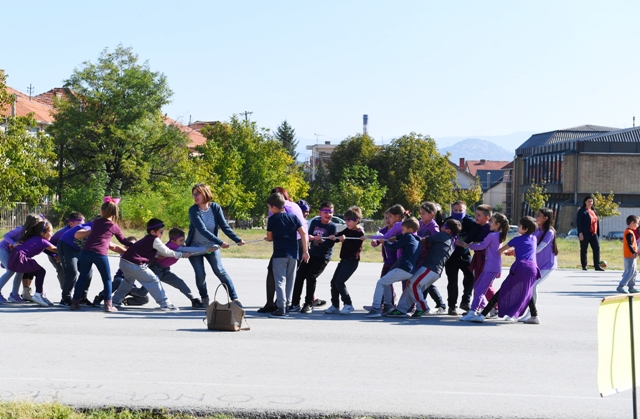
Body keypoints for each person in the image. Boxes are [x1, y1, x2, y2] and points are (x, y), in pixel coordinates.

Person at [468, 216, 540, 323]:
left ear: (525, 229)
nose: (518, 227)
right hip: (533, 268)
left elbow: (500, 250)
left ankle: (483, 315)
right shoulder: (534, 239)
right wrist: (514, 252)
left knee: (503, 290)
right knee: (527, 291)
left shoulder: (516, 239)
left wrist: (494, 249)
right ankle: (534, 316)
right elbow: (526, 250)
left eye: (520, 225)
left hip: (520, 267)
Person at [386, 218, 461, 318]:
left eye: (444, 226)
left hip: (431, 268)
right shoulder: (451, 239)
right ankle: (401, 309)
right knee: (411, 285)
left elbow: (423, 240)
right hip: (432, 270)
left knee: (413, 284)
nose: (441, 227)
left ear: (448, 230)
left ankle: (423, 307)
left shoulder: (443, 235)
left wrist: (402, 237)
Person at [70, 198, 134, 312]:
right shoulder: (113, 226)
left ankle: (75, 303)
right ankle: (108, 305)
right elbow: (123, 240)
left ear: (102, 211)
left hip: (86, 252)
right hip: (100, 254)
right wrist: (133, 245)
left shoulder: (96, 222)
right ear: (115, 212)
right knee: (107, 279)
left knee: (82, 277)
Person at [112, 219, 191, 311]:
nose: (162, 234)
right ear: (153, 232)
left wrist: (156, 255)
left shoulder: (146, 239)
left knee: (128, 282)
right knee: (153, 280)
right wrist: (182, 255)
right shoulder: (154, 239)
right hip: (134, 264)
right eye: (161, 232)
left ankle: (115, 301)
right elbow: (167, 251)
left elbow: (147, 251)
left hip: (124, 262)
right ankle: (165, 304)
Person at [186, 183, 245, 307]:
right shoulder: (193, 210)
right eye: (193, 194)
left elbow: (224, 226)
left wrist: (237, 239)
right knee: (200, 275)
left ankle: (234, 299)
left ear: (205, 193)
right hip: (195, 248)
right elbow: (202, 229)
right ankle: (204, 298)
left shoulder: (215, 207)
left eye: (197, 194)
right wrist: (220, 242)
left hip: (212, 247)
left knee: (220, 270)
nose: (195, 197)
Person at [365, 217, 421, 318]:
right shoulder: (416, 238)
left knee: (380, 282)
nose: (402, 231)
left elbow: (394, 247)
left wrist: (384, 242)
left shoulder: (408, 236)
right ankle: (388, 306)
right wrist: (396, 237)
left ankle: (376, 309)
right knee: (386, 282)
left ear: (410, 230)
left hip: (404, 268)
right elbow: (401, 237)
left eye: (403, 229)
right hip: (411, 270)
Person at [265, 192, 309, 318]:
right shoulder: (293, 217)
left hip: (280, 254)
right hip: (294, 254)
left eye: (269, 207)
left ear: (274, 207)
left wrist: (268, 238)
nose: (270, 210)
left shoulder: (272, 219)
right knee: (290, 280)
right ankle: (288, 306)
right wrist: (305, 251)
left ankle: (281, 308)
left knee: (280, 280)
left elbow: (270, 237)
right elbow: (303, 233)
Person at [149, 228, 217, 308]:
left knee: (180, 283)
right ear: (173, 241)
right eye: (181, 240)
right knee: (144, 291)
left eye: (183, 240)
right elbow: (188, 249)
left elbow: (191, 252)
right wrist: (206, 249)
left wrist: (207, 251)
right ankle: (135, 293)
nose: (183, 242)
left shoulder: (178, 246)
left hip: (165, 270)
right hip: (156, 269)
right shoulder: (171, 246)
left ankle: (193, 300)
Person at [459, 213, 509, 321]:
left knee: (479, 290)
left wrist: (467, 245)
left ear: (497, 224)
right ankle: (483, 309)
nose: (489, 223)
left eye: (491, 221)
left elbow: (482, 246)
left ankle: (473, 311)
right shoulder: (499, 235)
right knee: (478, 287)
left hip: (491, 266)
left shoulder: (492, 235)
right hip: (492, 266)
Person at [290, 201, 336, 313]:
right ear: (320, 212)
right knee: (299, 275)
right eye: (325, 212)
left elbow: (330, 244)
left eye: (330, 212)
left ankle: (308, 304)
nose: (328, 214)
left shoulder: (332, 226)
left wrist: (321, 241)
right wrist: (311, 238)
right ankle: (295, 303)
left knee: (311, 277)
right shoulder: (315, 222)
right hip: (312, 253)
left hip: (323, 256)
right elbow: (308, 236)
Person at [519, 207, 559, 324]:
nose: (536, 217)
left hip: (547, 265)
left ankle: (532, 315)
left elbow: (539, 248)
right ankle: (529, 314)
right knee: (530, 287)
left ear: (545, 218)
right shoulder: (536, 230)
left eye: (538, 215)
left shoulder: (549, 232)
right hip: (537, 264)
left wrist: (524, 252)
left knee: (532, 286)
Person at [368, 204, 411, 312]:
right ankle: (388, 304)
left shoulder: (399, 227)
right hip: (388, 261)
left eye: (390, 217)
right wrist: (374, 241)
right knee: (385, 281)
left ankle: (406, 306)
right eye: (386, 218)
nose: (387, 220)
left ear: (397, 217)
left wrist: (370, 237)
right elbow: (379, 238)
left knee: (401, 283)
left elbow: (384, 238)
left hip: (398, 260)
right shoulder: (385, 229)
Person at [324, 206, 366, 315]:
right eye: (346, 220)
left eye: (349, 220)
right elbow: (340, 235)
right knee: (333, 282)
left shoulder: (359, 233)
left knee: (339, 282)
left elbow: (354, 248)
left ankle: (348, 304)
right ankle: (335, 305)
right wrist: (334, 236)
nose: (347, 222)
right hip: (343, 261)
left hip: (352, 262)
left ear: (357, 221)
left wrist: (344, 241)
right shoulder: (348, 230)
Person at [7, 218, 57, 307]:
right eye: (50, 231)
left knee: (32, 270)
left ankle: (32, 293)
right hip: (20, 257)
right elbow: (55, 249)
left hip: (17, 256)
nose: (52, 234)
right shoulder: (42, 241)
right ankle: (38, 294)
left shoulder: (36, 238)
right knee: (41, 271)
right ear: (42, 233)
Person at [443, 201, 478, 315]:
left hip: (464, 254)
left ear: (465, 210)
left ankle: (465, 302)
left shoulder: (470, 221)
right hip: (450, 256)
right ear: (452, 210)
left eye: (460, 210)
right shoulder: (448, 221)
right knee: (452, 281)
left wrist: (467, 242)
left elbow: (476, 231)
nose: (458, 212)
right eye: (455, 210)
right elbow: (442, 233)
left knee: (470, 277)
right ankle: (452, 306)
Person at [0, 213, 42, 303]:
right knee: (10, 270)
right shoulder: (20, 229)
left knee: (20, 270)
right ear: (33, 223)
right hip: (3, 249)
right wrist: (14, 243)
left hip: (12, 252)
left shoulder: (30, 232)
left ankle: (14, 295)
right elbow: (6, 236)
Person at [416, 202, 447, 313]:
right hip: (419, 255)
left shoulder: (434, 226)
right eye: (420, 213)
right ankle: (440, 303)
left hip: (427, 257)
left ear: (431, 214)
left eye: (423, 213)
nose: (421, 216)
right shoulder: (420, 223)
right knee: (425, 282)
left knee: (422, 282)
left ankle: (422, 305)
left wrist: (425, 240)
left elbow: (435, 240)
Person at [47, 212, 85, 291]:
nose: (82, 226)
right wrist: (56, 255)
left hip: (70, 253)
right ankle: (66, 291)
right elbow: (47, 245)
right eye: (79, 224)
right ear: (71, 224)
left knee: (76, 271)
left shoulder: (80, 231)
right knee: (63, 272)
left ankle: (78, 292)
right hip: (56, 254)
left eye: (83, 224)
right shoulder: (63, 232)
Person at [576, 195, 604, 271]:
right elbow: (579, 223)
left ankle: (597, 266)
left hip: (594, 234)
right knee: (584, 249)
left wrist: (597, 233)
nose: (590, 203)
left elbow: (596, 222)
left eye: (591, 201)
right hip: (585, 233)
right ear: (585, 202)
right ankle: (584, 265)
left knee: (596, 248)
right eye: (588, 201)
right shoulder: (582, 211)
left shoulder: (593, 211)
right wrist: (580, 233)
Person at [616, 215, 639, 294]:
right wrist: (633, 252)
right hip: (629, 255)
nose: (638, 225)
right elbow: (629, 244)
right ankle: (621, 286)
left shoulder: (630, 231)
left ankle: (631, 287)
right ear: (632, 223)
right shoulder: (628, 232)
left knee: (634, 271)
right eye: (637, 223)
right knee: (630, 272)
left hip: (632, 256)